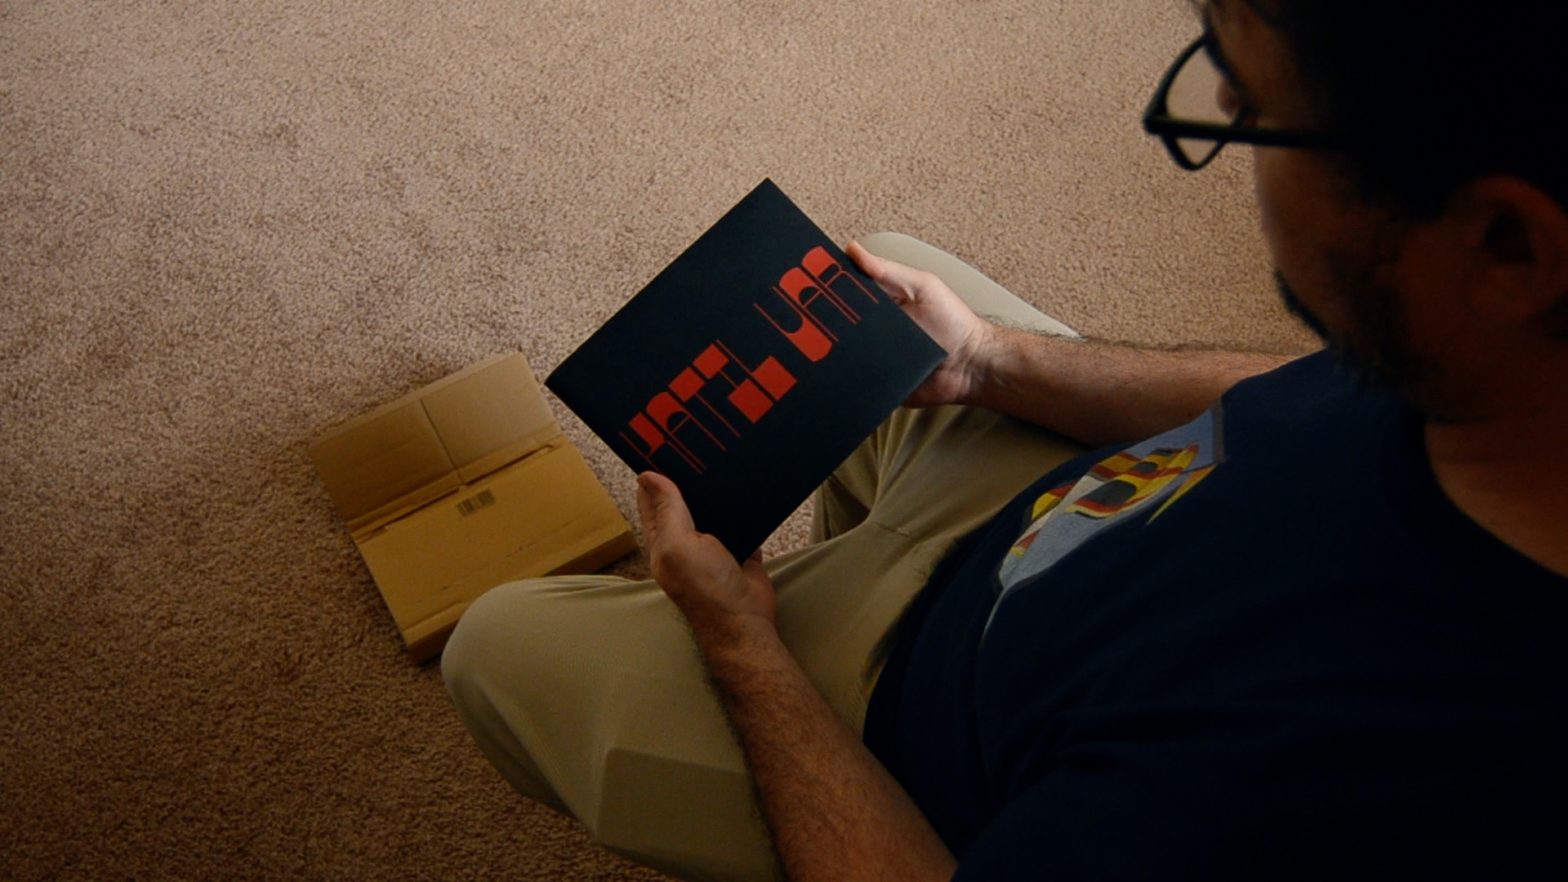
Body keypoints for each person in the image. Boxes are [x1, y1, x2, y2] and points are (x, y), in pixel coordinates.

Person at [443, 0, 1568, 878]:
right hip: (1077, 508)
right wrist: (987, 360)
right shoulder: (1489, 366)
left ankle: (813, 635)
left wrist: (740, 645)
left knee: (495, 647)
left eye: (1257, 115)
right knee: (874, 299)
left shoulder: (1326, 785)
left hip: (925, 737)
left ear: (1507, 246)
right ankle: (862, 533)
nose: (1227, 116)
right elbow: (1298, 392)